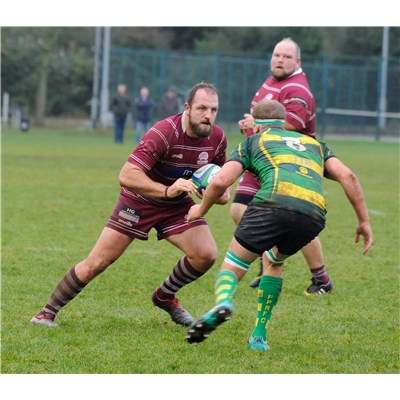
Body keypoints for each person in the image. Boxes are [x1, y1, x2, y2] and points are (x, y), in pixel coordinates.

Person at [30, 82, 230, 328]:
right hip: (139, 200)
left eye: (213, 110)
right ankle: (46, 313)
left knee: (206, 254)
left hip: (177, 203)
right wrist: (167, 190)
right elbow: (127, 175)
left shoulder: (217, 139)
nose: (208, 116)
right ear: (187, 108)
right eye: (202, 108)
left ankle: (164, 296)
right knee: (99, 261)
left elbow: (223, 186)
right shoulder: (163, 133)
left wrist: (215, 193)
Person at [185, 99, 373, 351]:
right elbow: (348, 176)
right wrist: (363, 220)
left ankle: (224, 302)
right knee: (274, 261)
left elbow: (221, 181)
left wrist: (200, 209)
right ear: (282, 123)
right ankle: (259, 336)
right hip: (313, 214)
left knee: (233, 265)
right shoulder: (314, 145)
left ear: (258, 126)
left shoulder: (252, 142)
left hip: (271, 204)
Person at [234, 37, 330, 294]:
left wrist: (254, 122)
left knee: (297, 216)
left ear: (297, 62)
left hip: (290, 163)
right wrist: (252, 124)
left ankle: (321, 278)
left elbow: (293, 124)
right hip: (264, 159)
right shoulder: (272, 81)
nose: (280, 60)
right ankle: (267, 261)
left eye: (287, 57)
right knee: (238, 208)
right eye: (277, 55)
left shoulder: (297, 89)